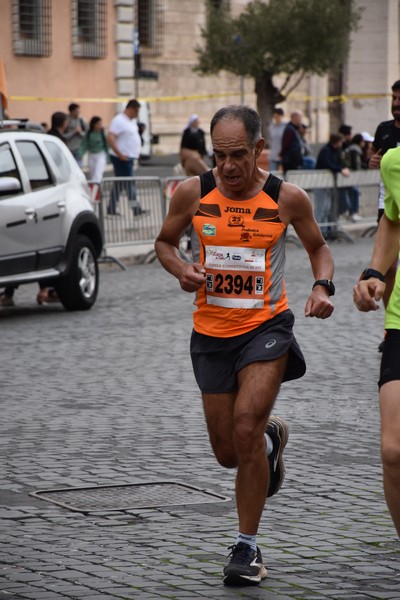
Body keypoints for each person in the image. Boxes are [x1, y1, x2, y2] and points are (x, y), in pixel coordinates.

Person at [155, 105, 335, 586]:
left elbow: (319, 248)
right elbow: (165, 243)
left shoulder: (287, 198)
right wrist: (181, 269)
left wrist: (322, 287)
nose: (229, 167)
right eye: (219, 156)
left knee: (244, 424)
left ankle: (247, 548)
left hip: (266, 328)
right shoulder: (194, 192)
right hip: (211, 335)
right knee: (228, 452)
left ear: (260, 149)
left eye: (238, 155)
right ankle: (271, 440)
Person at [353, 144, 400, 539]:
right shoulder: (394, 162)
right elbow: (393, 219)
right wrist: (376, 271)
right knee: (393, 451)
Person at [368, 80, 400, 350]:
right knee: (388, 267)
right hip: (388, 201)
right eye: (394, 98)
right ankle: (392, 327)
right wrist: (374, 162)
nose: (397, 104)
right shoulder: (384, 130)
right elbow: (374, 158)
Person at [107, 98, 148, 217]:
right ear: (130, 109)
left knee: (119, 185)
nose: (137, 114)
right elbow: (110, 137)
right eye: (136, 111)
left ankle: (111, 208)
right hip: (122, 158)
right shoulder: (119, 120)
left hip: (128, 157)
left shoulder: (130, 121)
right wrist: (120, 154)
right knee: (130, 184)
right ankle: (136, 209)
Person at [314, 133, 350, 238]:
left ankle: (325, 232)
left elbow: (340, 162)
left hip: (328, 184)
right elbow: (327, 164)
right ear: (336, 142)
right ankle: (319, 233)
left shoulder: (336, 151)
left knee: (327, 208)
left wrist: (343, 167)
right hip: (321, 183)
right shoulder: (326, 151)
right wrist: (340, 169)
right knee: (321, 208)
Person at [79, 116, 109, 184]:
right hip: (91, 155)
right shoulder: (88, 134)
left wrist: (108, 157)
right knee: (93, 174)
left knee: (98, 174)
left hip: (100, 154)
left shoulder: (102, 134)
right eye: (99, 124)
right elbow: (83, 145)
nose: (100, 126)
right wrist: (81, 153)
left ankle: (97, 189)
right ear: (94, 124)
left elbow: (107, 146)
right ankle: (97, 191)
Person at [268, 107, 286, 171]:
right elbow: (271, 140)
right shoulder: (271, 127)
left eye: (278, 116)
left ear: (281, 116)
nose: (276, 118)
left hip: (283, 156)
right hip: (273, 156)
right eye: (274, 116)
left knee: (285, 176)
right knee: (272, 176)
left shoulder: (286, 127)